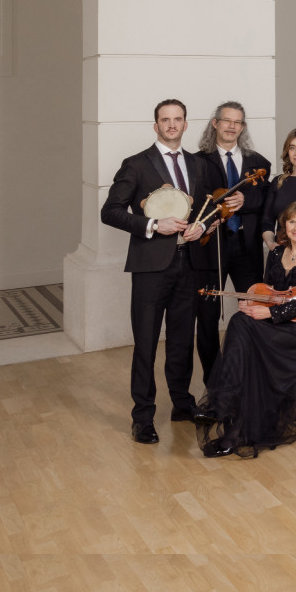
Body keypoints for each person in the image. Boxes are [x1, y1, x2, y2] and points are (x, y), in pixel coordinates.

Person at [100, 99, 216, 444]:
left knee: (182, 340)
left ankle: (182, 403)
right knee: (146, 343)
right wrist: (153, 224)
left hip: (189, 263)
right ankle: (142, 417)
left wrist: (203, 226)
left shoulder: (197, 164)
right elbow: (110, 211)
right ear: (156, 125)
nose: (172, 125)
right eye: (165, 120)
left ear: (185, 124)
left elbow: (207, 206)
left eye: (177, 119)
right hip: (150, 267)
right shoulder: (136, 164)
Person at [194, 199, 296, 458]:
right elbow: (270, 291)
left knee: (247, 333)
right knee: (240, 321)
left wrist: (271, 313)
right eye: (292, 221)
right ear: (284, 224)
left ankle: (223, 405)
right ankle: (230, 411)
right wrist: (252, 303)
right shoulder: (276, 253)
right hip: (281, 321)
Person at [194, 102, 271, 383]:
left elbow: (267, 201)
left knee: (253, 309)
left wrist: (246, 200)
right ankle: (214, 382)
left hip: (246, 247)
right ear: (215, 123)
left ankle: (249, 376)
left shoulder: (259, 163)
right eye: (226, 121)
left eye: (237, 122)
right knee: (207, 316)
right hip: (211, 246)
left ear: (243, 127)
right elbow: (194, 203)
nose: (231, 126)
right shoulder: (197, 161)